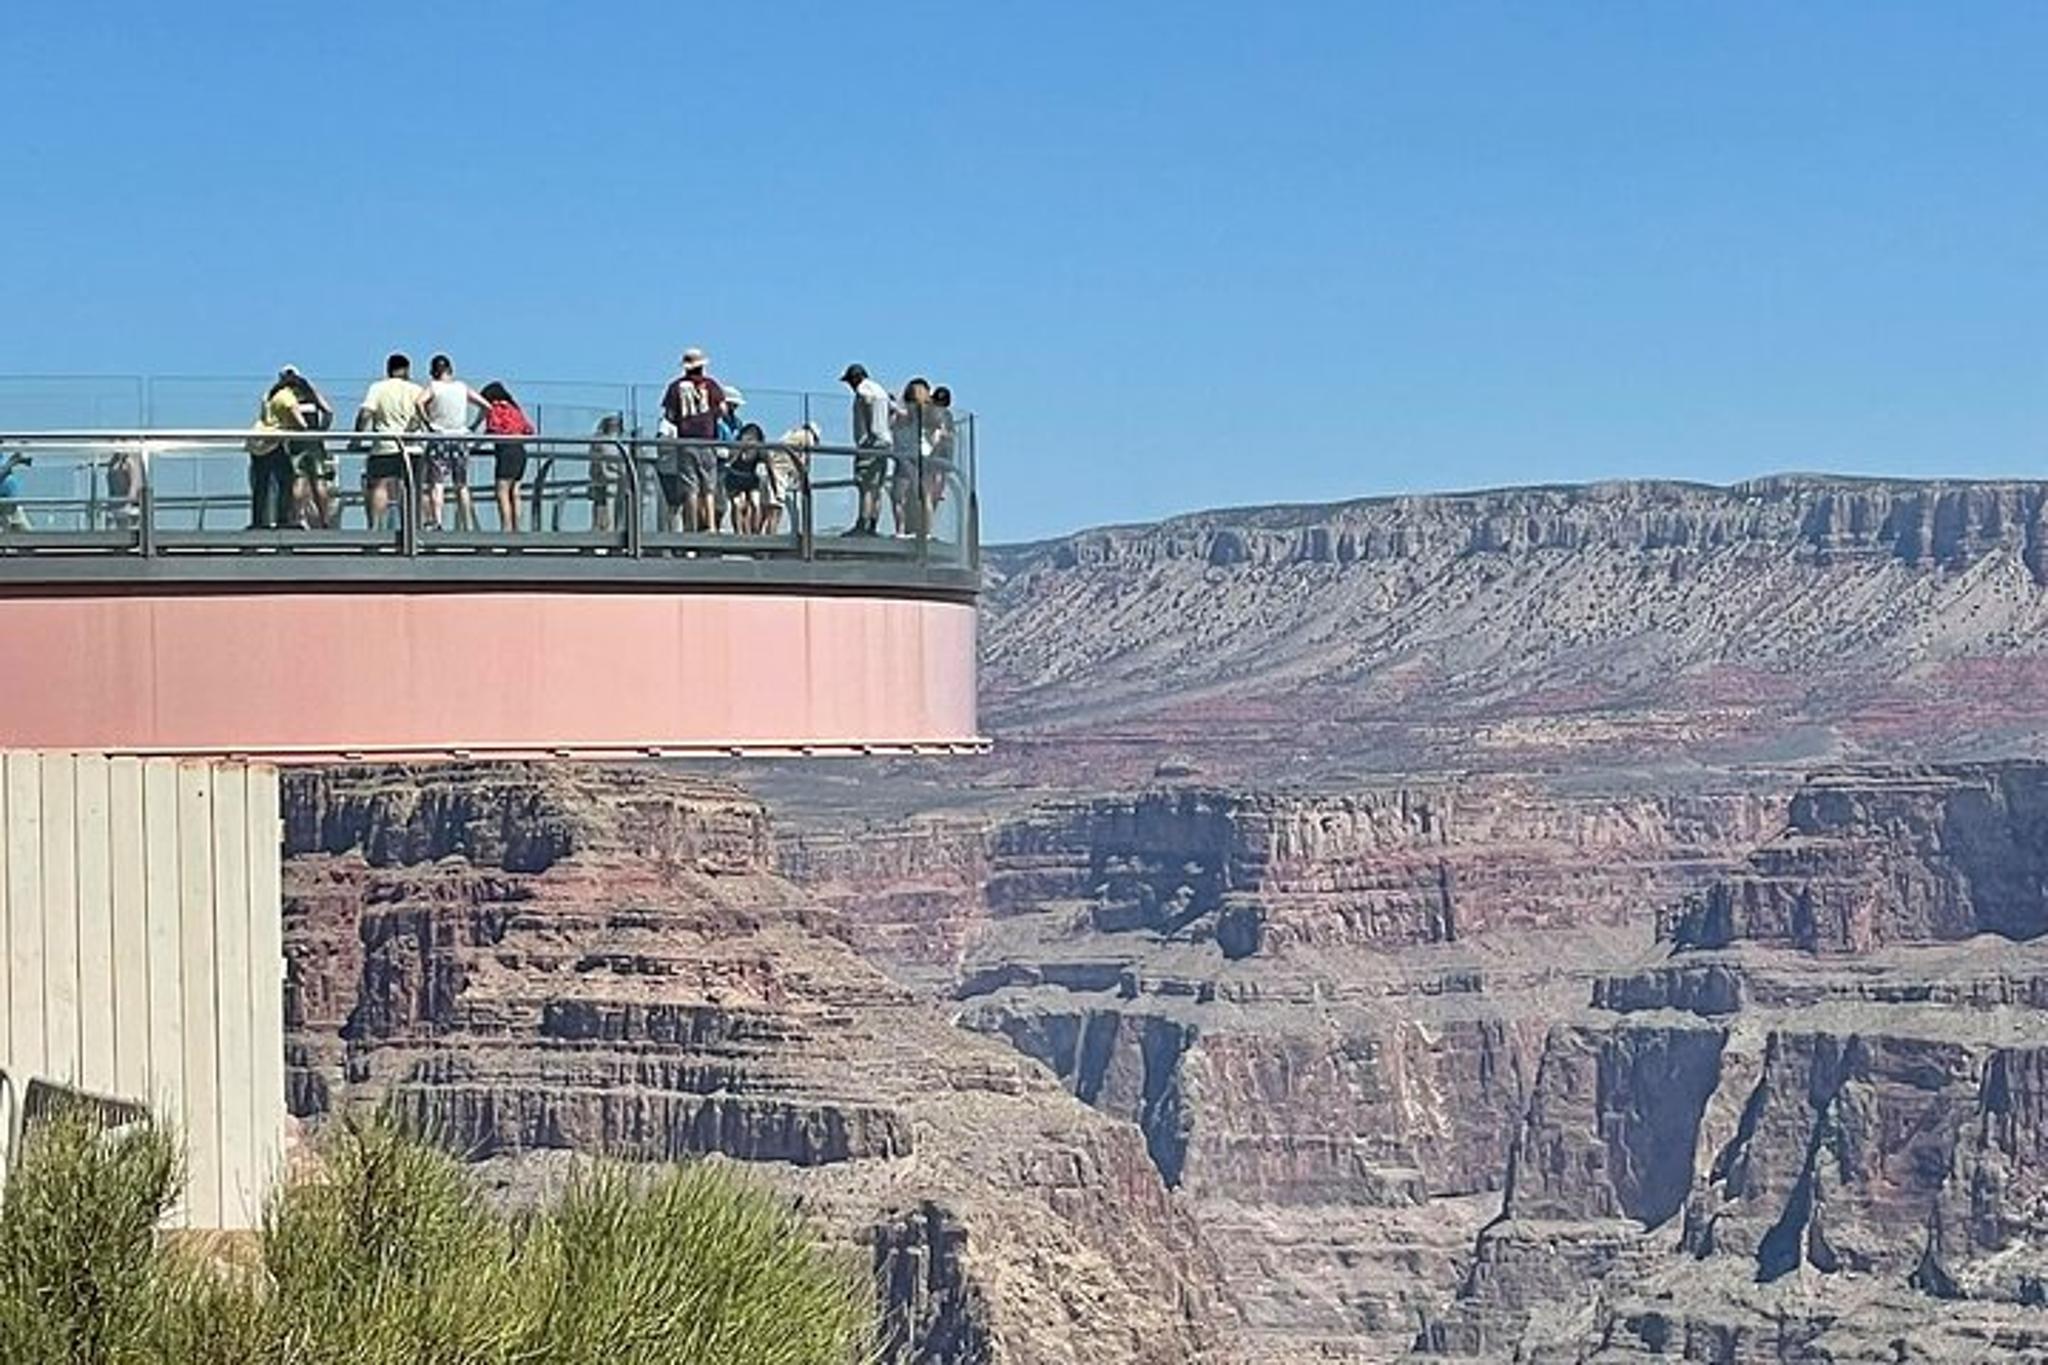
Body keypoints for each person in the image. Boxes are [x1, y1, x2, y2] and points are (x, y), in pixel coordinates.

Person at [354, 353, 425, 531]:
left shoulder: (378, 388)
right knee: (411, 488)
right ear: (407, 369)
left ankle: (375, 527)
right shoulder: (417, 390)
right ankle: (413, 528)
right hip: (412, 447)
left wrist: (357, 436)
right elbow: (420, 418)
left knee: (379, 485)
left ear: (388, 370)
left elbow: (365, 413)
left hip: (384, 445)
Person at [659, 348, 725, 534]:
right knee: (709, 487)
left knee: (691, 487)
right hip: (708, 441)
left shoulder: (675, 387)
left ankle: (691, 527)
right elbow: (722, 409)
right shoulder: (711, 385)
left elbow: (670, 415)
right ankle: (711, 526)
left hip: (686, 442)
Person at [420, 354, 487, 531]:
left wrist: (428, 423)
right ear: (450, 370)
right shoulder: (462, 387)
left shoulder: (433, 387)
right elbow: (486, 406)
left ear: (434, 372)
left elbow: (418, 403)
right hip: (460, 438)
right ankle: (467, 523)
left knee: (437, 483)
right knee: (461, 484)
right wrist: (473, 426)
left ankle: (438, 521)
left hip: (439, 437)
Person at [248, 369, 307, 530]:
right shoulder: (287, 396)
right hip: (273, 441)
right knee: (286, 479)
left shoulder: (270, 394)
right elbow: (302, 424)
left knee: (261, 482)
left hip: (258, 439)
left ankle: (258, 521)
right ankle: (283, 519)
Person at [840, 363, 894, 536]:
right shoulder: (880, 390)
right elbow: (894, 410)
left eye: (850, 381)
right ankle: (873, 525)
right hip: (884, 442)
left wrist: (871, 429)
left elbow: (867, 400)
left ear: (856, 378)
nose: (850, 386)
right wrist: (885, 428)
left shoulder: (863, 389)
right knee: (877, 486)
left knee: (866, 486)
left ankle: (862, 524)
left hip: (869, 443)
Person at [478, 381, 534, 533]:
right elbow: (529, 429)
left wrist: (476, 444)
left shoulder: (495, 408)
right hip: (520, 450)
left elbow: (493, 429)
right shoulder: (515, 409)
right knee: (515, 491)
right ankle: (517, 527)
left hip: (506, 451)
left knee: (502, 491)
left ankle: (506, 527)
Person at [889, 376, 935, 538]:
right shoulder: (916, 414)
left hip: (912, 457)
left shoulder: (913, 414)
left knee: (906, 495)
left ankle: (908, 531)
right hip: (914, 456)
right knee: (917, 496)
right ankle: (919, 531)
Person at [764, 420, 820, 537]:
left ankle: (767, 536)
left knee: (770, 509)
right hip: (779, 472)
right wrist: (803, 474)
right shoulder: (807, 437)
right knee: (776, 509)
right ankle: (771, 538)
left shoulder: (791, 434)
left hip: (773, 469)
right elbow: (804, 460)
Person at [924, 385, 959, 535]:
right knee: (933, 492)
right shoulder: (942, 415)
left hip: (939, 456)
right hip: (937, 456)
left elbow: (947, 434)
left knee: (934, 491)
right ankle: (928, 527)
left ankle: (928, 527)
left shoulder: (943, 415)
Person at [723, 422, 768, 534]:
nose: (749, 440)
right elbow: (729, 460)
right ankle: (738, 532)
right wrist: (739, 450)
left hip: (750, 479)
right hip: (735, 478)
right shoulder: (737, 447)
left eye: (753, 437)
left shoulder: (759, 450)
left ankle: (755, 532)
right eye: (747, 436)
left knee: (755, 503)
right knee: (737, 504)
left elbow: (768, 463)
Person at [586, 413, 627, 534]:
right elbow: (595, 460)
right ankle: (602, 530)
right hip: (604, 479)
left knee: (611, 507)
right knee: (603, 506)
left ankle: (610, 529)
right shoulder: (601, 441)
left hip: (614, 480)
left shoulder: (618, 442)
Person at [0, 448, 31, 532]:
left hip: (13, 504)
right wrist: (13, 461)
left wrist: (13, 461)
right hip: (2, 505)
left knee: (27, 532)